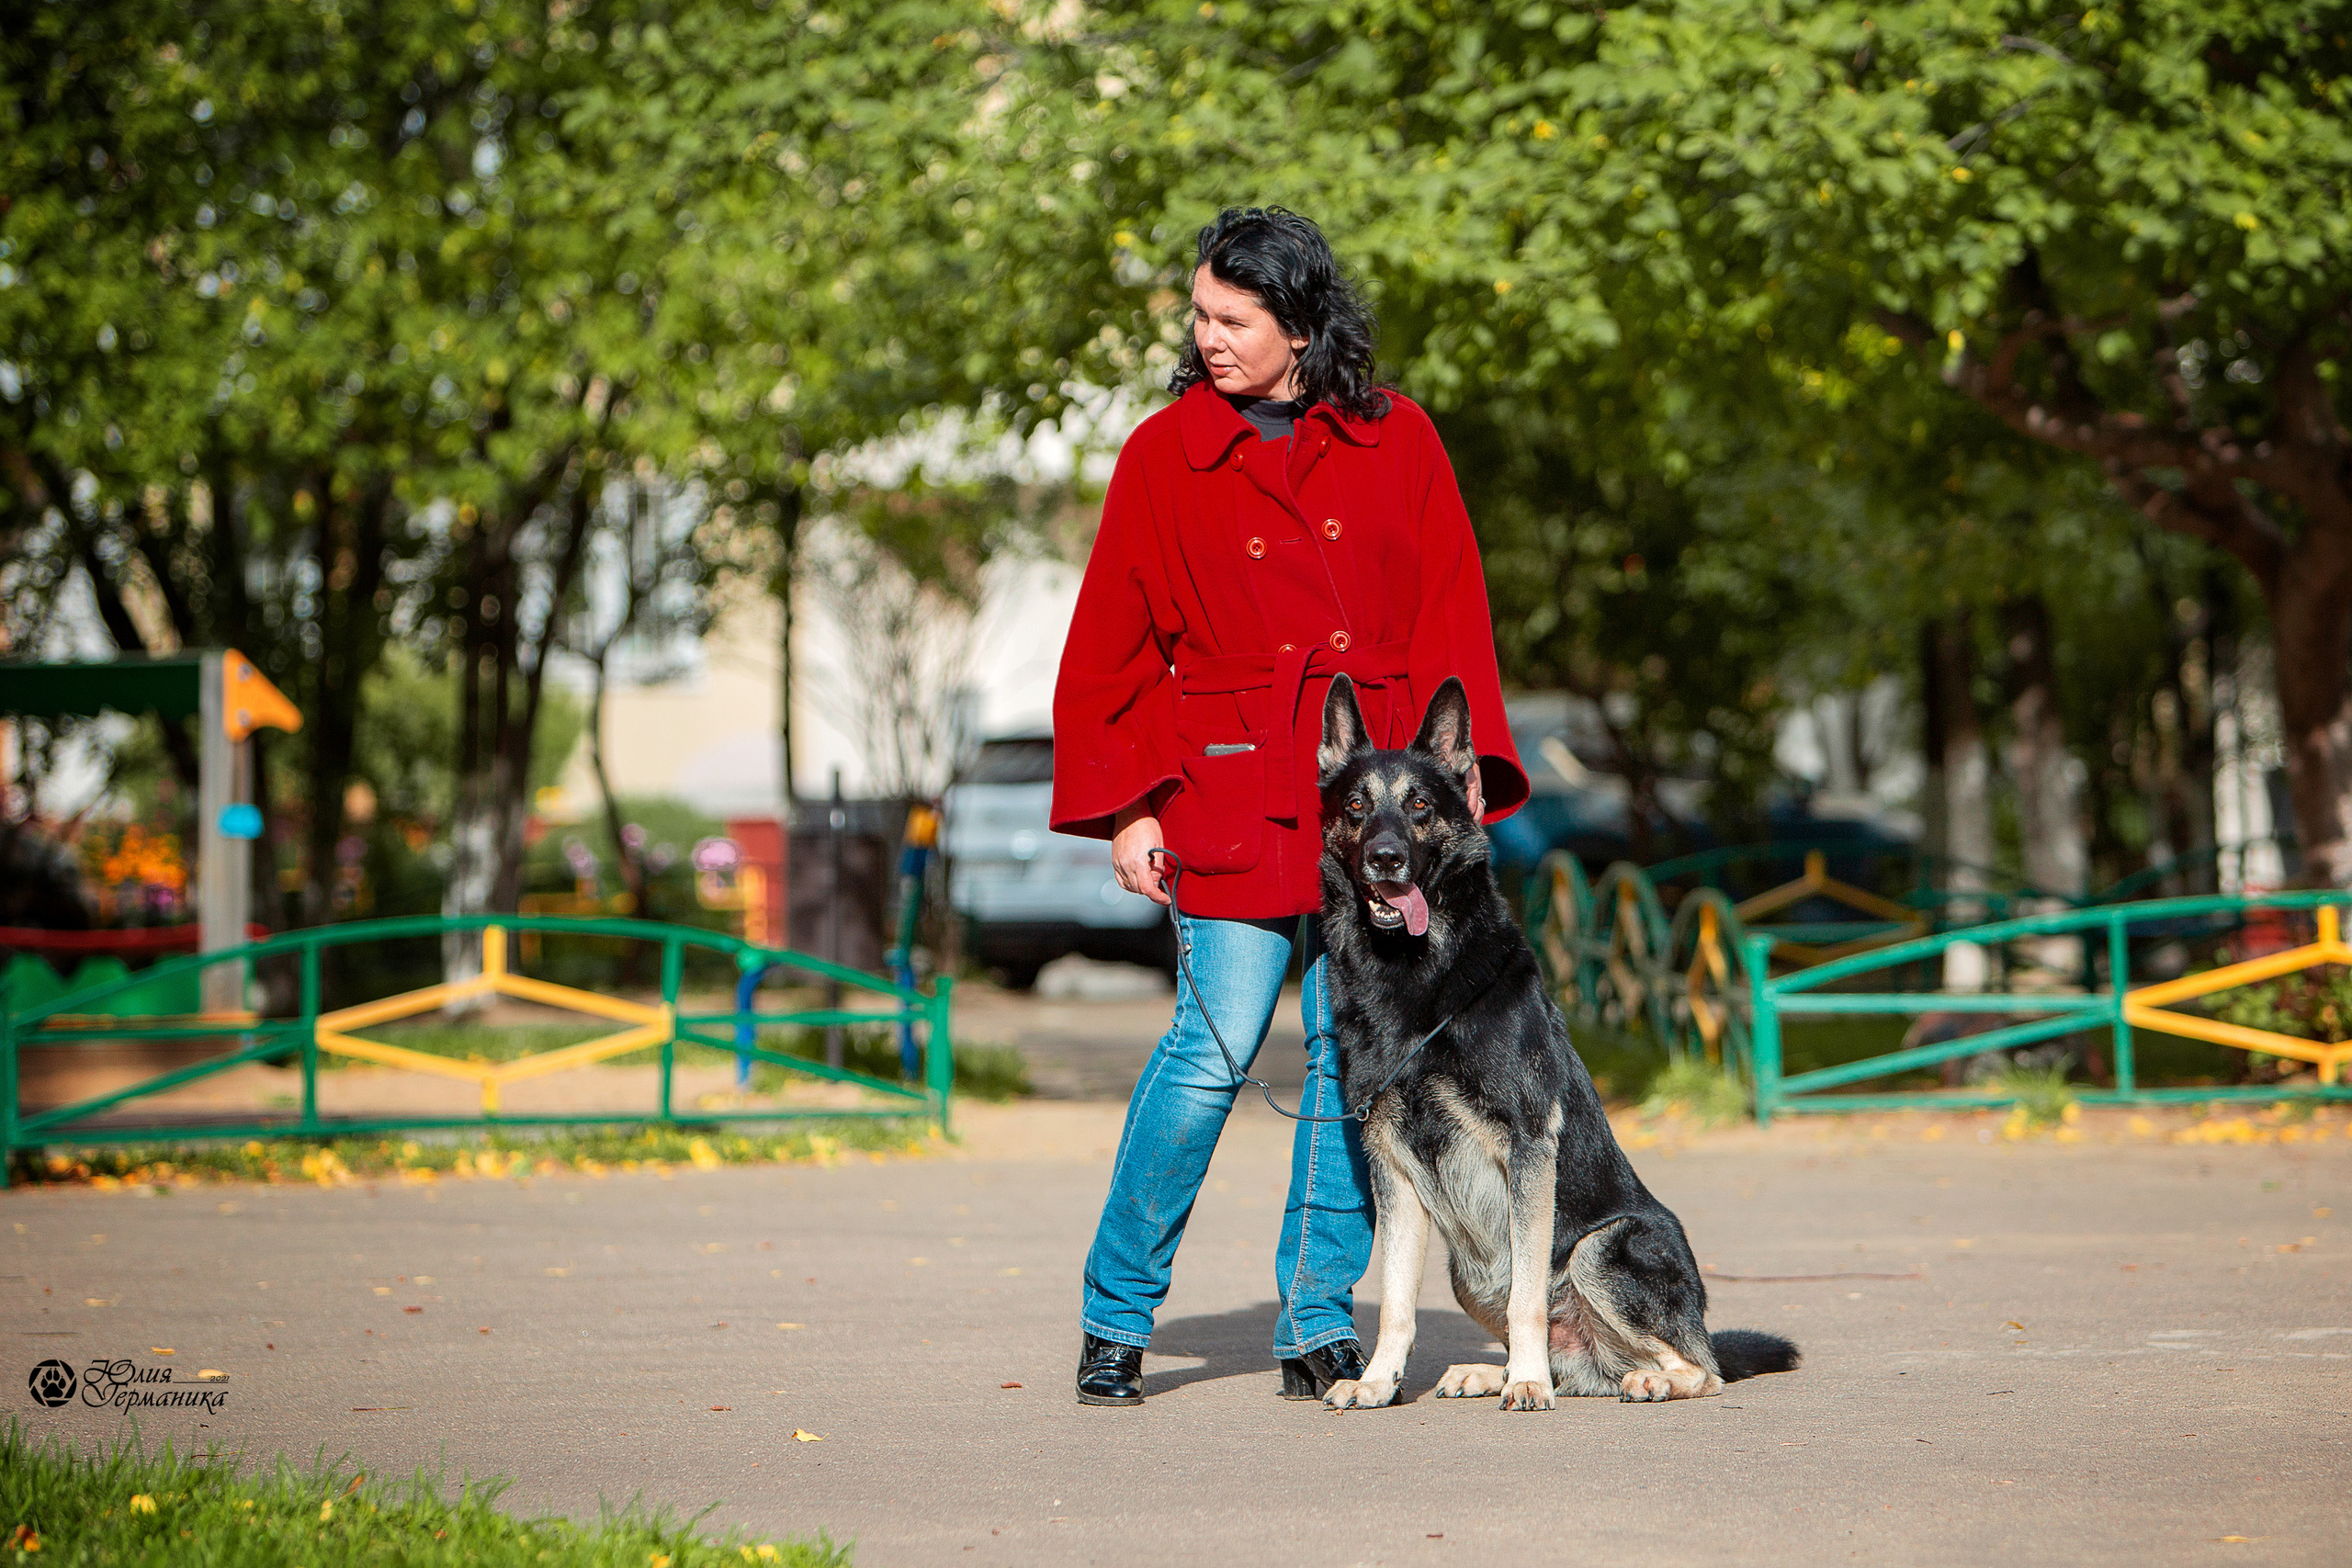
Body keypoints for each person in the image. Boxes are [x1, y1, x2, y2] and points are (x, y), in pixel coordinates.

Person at [1050, 207, 1529, 1406]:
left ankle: (1317, 1319)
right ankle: (1116, 1317)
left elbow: (1451, 611)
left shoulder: (1399, 438)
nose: (1207, 336)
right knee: (1207, 1057)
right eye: (1200, 315)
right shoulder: (1163, 455)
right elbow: (1112, 644)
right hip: (1223, 789)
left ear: (1303, 328)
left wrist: (1453, 786)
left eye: (1234, 318)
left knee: (1347, 1067)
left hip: (1375, 814)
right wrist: (1130, 810)